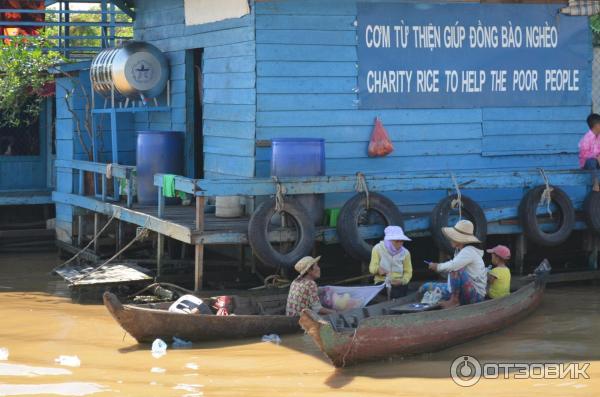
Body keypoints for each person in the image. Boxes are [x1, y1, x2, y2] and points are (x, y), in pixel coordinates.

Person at [419, 219, 487, 308]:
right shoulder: (459, 251)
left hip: (475, 295)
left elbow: (453, 266)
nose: (450, 239)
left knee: (454, 269)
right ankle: (451, 298)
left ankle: (454, 301)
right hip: (462, 291)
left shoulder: (469, 251)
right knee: (425, 287)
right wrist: (438, 268)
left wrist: (438, 267)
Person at [368, 225, 413, 298]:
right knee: (393, 293)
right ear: (389, 241)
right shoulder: (377, 249)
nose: (400, 243)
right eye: (397, 241)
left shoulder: (406, 253)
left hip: (399, 282)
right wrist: (378, 269)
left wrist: (402, 281)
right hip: (382, 282)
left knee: (401, 291)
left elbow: (408, 271)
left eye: (401, 241)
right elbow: (372, 268)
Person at [578, 113, 600, 191]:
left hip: (597, 161)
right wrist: (596, 157)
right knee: (591, 161)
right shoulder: (587, 138)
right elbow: (584, 155)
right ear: (597, 125)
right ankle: (596, 183)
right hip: (587, 164)